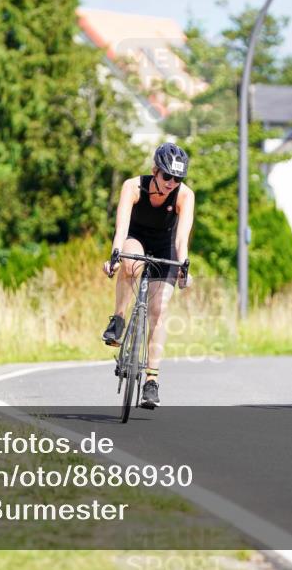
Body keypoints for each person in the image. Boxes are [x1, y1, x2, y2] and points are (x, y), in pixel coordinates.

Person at [101, 142, 195, 409]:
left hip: (165, 244)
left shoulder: (184, 196)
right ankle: (118, 319)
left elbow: (181, 239)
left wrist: (183, 267)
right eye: (167, 176)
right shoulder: (133, 187)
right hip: (137, 238)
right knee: (130, 265)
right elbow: (120, 229)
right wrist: (115, 257)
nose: (171, 183)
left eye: (177, 179)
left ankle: (151, 380)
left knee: (159, 310)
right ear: (155, 170)